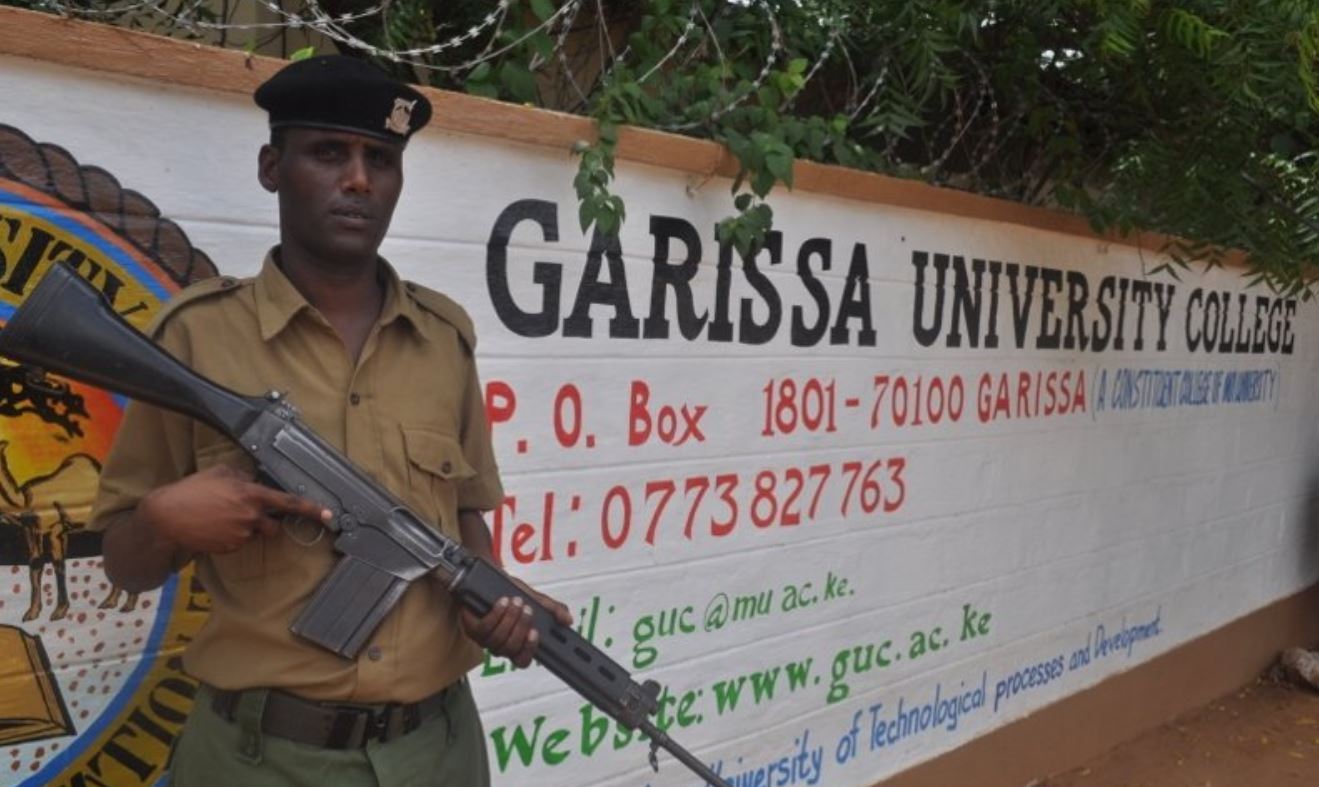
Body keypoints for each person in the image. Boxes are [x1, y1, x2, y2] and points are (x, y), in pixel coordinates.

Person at [87, 54, 569, 786]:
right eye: (328, 153)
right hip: (259, 759)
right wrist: (165, 520)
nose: (358, 180)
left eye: (381, 159)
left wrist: (491, 595)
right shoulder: (197, 335)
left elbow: (466, 512)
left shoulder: (444, 338)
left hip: (435, 749)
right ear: (271, 167)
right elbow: (124, 558)